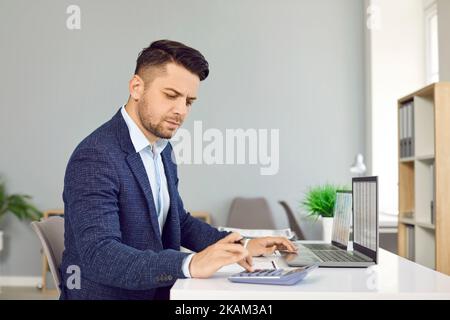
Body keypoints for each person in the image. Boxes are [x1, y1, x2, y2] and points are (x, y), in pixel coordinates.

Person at [60, 40, 296, 300]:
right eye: (171, 96)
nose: (181, 111)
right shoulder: (96, 156)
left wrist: (245, 245)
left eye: (189, 101)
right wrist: (189, 264)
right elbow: (101, 255)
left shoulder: (162, 148)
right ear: (136, 87)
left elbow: (178, 222)